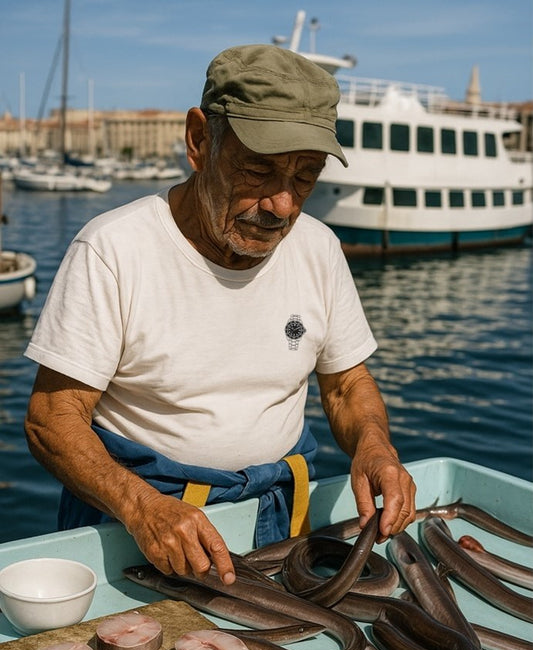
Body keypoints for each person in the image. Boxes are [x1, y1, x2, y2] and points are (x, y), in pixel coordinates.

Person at [24, 44, 416, 585]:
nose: (282, 204)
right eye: (258, 169)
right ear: (199, 140)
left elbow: (347, 385)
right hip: (134, 521)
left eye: (305, 177)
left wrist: (375, 445)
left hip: (279, 518)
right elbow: (52, 420)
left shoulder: (319, 248)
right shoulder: (113, 250)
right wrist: (142, 509)